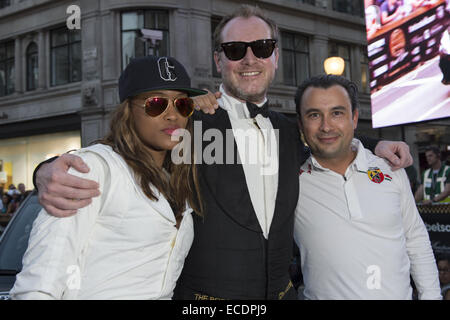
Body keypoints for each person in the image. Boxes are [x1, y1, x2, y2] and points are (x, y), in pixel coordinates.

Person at [32, 5, 413, 300]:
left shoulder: (289, 130)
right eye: (235, 50)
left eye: (262, 48)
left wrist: (374, 145)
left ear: (275, 57)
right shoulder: (186, 123)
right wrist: (47, 170)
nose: (249, 59)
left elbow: (331, 142)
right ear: (219, 60)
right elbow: (124, 150)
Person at [10, 55, 206, 299]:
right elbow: (39, 284)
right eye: (156, 104)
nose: (172, 115)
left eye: (182, 105)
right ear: (128, 110)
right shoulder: (94, 169)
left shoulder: (176, 179)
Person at [293, 74, 441, 299]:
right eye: (314, 115)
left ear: (354, 118)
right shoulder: (290, 180)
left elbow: (416, 239)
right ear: (301, 124)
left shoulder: (390, 169)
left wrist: (432, 297)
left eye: (337, 113)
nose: (326, 126)